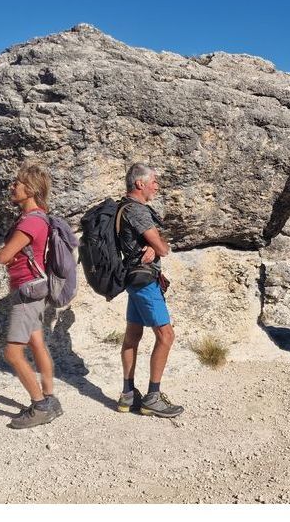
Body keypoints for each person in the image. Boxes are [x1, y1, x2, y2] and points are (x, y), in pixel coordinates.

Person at [0, 161, 63, 429]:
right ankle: (50, 398)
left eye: (17, 183)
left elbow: (4, 256)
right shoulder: (40, 218)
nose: (13, 187)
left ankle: (40, 406)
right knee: (37, 344)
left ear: (31, 189)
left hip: (26, 291)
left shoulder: (31, 221)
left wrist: (1, 253)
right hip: (34, 289)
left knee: (12, 353)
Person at [116, 163, 184, 418]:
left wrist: (154, 247)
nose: (157, 186)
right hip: (145, 281)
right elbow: (164, 248)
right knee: (166, 336)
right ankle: (152, 398)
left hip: (133, 279)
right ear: (139, 184)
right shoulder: (138, 211)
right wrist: (158, 247)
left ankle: (127, 396)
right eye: (153, 181)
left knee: (132, 334)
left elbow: (151, 245)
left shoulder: (123, 208)